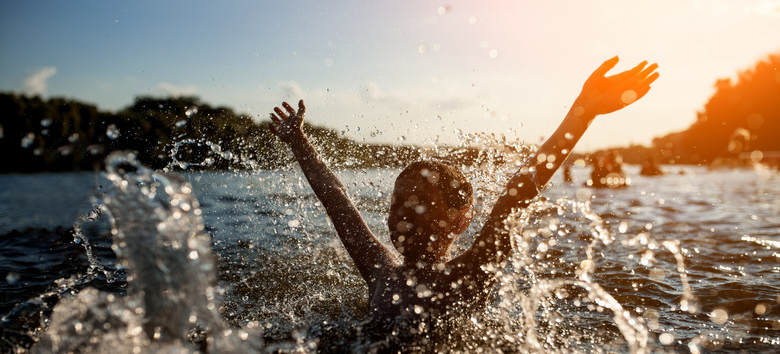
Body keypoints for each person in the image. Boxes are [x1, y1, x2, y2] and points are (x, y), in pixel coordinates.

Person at [268, 56, 658, 341]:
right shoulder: (379, 270)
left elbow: (518, 194)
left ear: (461, 219)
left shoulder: (468, 275)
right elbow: (337, 200)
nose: (402, 213)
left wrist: (583, 112)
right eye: (397, 203)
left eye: (419, 202)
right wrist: (300, 142)